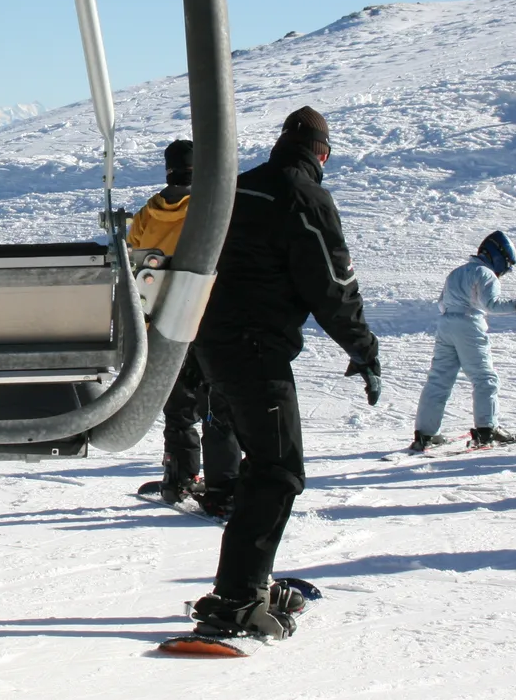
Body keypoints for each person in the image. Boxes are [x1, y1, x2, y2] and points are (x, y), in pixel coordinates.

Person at [185, 107, 379, 643]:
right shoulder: (303, 195)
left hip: (210, 343)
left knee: (259, 464)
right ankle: (238, 597)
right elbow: (332, 286)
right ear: (322, 153)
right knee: (278, 468)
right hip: (254, 348)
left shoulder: (239, 187)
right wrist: (364, 350)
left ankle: (242, 582)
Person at [128, 139, 239, 515]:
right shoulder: (209, 210)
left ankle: (180, 476)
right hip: (207, 317)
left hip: (162, 320)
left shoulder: (148, 213)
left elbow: (135, 258)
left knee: (178, 405)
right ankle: (224, 484)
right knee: (216, 403)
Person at [411, 231, 516, 451]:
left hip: (445, 324)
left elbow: (441, 303)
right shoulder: (486, 273)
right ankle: (486, 430)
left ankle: (425, 434)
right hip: (468, 324)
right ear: (497, 255)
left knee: (439, 380)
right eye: (507, 264)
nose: (506, 270)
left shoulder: (456, 272)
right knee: (485, 379)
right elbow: (491, 304)